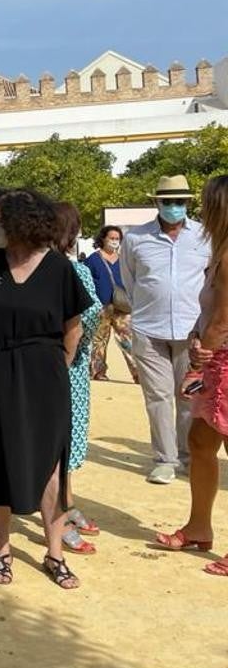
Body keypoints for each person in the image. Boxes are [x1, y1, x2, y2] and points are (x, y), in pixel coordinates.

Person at [0, 189, 92, 590]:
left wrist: (48, 367)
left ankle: (55, 553)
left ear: (22, 222)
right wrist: (3, 356)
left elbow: (74, 330)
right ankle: (1, 548)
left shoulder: (58, 268)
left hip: (45, 374)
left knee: (52, 464)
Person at [157, 175, 228, 576]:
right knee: (200, 442)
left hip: (223, 362)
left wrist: (198, 367)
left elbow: (222, 319)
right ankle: (199, 525)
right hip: (217, 357)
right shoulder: (220, 251)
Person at [121, 175, 211, 484]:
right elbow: (129, 281)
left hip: (192, 331)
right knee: (157, 397)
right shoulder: (135, 239)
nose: (174, 207)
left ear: (188, 203)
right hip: (149, 329)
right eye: (167, 201)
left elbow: (212, 280)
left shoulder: (204, 236)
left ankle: (187, 456)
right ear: (156, 202)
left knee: (188, 395)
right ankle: (164, 459)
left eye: (180, 201)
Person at [53, 203, 103, 554]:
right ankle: (61, 516)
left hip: (59, 367)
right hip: (66, 369)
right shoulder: (73, 272)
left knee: (61, 447)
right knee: (61, 447)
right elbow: (90, 318)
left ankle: (66, 504)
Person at [83, 225, 138, 382]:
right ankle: (97, 371)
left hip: (122, 305)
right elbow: (87, 283)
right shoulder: (92, 260)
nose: (114, 241)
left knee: (128, 338)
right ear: (103, 239)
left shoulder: (123, 260)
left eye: (117, 239)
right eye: (111, 238)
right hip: (101, 306)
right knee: (99, 339)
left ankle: (138, 372)